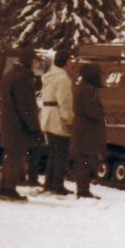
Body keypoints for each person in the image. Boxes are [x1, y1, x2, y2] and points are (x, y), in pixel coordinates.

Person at [0, 48, 43, 202]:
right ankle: (9, 189)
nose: (36, 64)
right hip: (19, 125)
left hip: (10, 122)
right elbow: (26, 107)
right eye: (35, 61)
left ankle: (3, 188)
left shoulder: (10, 75)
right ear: (28, 60)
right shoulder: (22, 79)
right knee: (17, 157)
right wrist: (35, 128)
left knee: (10, 157)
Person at [39, 49, 74, 196]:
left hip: (46, 115)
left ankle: (49, 183)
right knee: (61, 153)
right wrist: (69, 119)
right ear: (66, 62)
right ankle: (57, 185)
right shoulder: (63, 79)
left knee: (53, 152)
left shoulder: (48, 76)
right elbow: (64, 102)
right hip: (57, 117)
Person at [70, 62, 106, 199]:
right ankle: (83, 191)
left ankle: (83, 189)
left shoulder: (83, 88)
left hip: (83, 129)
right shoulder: (88, 90)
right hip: (86, 130)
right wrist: (102, 113)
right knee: (85, 161)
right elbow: (92, 110)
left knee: (84, 160)